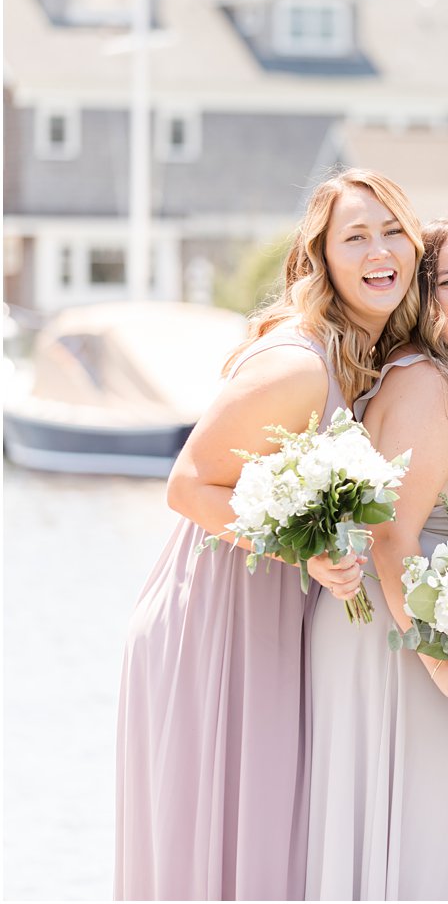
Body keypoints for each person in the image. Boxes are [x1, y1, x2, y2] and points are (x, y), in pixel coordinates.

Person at [115, 169, 422, 899]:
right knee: (215, 857)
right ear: (321, 257)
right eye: (355, 237)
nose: (379, 251)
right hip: (214, 623)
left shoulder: (365, 353)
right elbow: (187, 484)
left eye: (391, 232)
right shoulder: (298, 362)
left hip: (271, 620)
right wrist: (305, 550)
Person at [304, 218, 448, 899]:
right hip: (405, 647)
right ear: (421, 302)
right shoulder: (429, 384)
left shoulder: (447, 379)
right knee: (427, 853)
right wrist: (443, 663)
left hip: (406, 631)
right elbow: (389, 536)